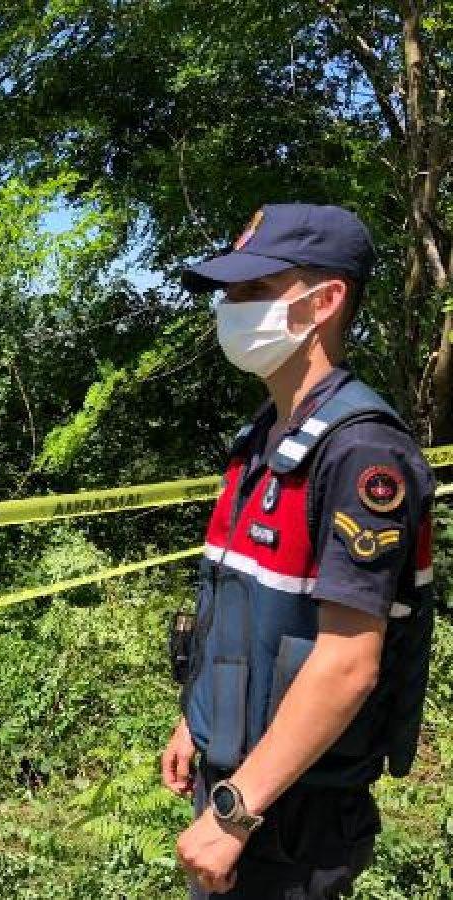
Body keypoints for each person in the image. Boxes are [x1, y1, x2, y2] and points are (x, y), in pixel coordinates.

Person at [161, 203, 438, 899]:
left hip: (290, 813)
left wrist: (233, 814)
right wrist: (198, 722)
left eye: (254, 290)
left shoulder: (361, 451)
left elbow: (347, 664)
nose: (230, 307)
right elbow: (244, 613)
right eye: (227, 292)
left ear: (326, 302)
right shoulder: (264, 437)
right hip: (240, 779)